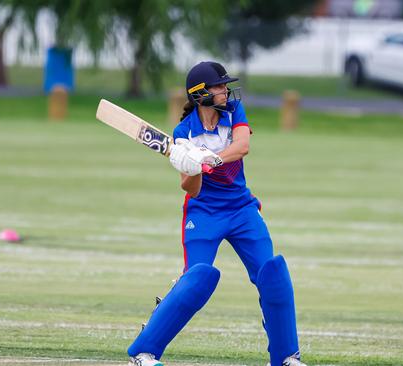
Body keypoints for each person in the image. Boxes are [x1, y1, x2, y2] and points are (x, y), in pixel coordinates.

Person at [127, 61, 304, 366]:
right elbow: (190, 188)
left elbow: (242, 146)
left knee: (272, 273)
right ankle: (144, 354)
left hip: (241, 209)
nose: (225, 91)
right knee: (196, 280)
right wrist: (190, 166)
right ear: (201, 94)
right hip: (204, 212)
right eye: (219, 87)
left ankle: (286, 357)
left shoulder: (235, 112)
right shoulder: (183, 133)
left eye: (224, 86)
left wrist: (208, 158)